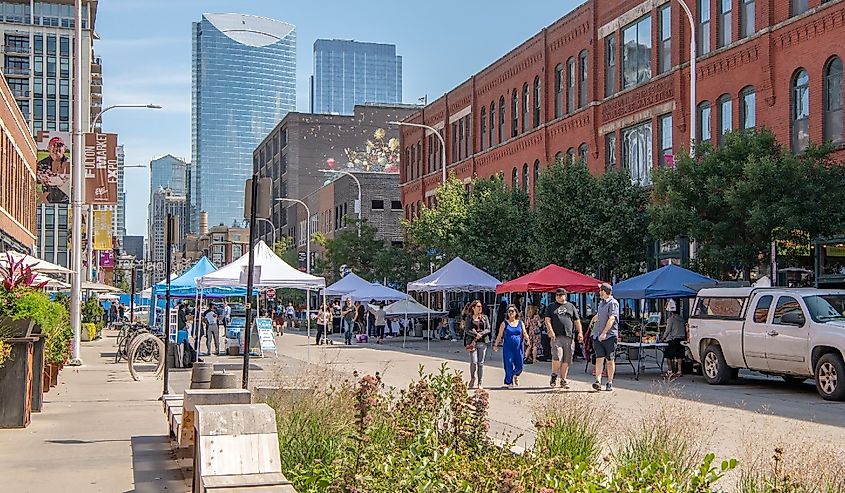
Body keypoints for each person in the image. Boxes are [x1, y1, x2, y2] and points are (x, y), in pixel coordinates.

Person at [545, 288, 584, 389]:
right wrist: (551, 331)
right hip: (556, 336)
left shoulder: (571, 306)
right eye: (557, 295)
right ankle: (554, 375)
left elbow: (577, 320)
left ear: (565, 296)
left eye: (561, 295)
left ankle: (563, 379)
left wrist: (580, 332)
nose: (558, 297)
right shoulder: (551, 307)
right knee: (557, 356)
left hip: (569, 336)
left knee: (567, 358)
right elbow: (547, 320)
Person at [591, 283, 620, 392]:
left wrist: (604, 333)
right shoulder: (601, 303)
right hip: (598, 335)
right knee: (599, 358)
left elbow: (612, 319)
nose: (599, 293)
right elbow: (600, 314)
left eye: (600, 291)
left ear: (604, 291)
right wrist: (594, 319)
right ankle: (598, 381)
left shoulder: (613, 303)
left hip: (609, 336)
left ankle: (609, 382)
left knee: (609, 359)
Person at [494, 305, 530, 388]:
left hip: (518, 348)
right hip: (508, 348)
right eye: (509, 311)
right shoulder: (504, 324)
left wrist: (527, 339)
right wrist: (496, 345)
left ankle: (515, 374)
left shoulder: (520, 323)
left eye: (512, 311)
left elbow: (524, 333)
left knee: (520, 365)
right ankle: (509, 381)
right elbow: (499, 335)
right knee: (508, 364)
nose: (510, 313)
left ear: (516, 313)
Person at [463, 300, 492, 389]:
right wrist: (475, 334)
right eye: (478, 307)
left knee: (481, 363)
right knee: (474, 362)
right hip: (473, 342)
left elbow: (488, 328)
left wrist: (481, 334)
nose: (480, 308)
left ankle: (480, 382)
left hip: (482, 342)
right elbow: (467, 329)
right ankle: (472, 377)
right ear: (473, 308)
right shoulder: (469, 318)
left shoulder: (484, 317)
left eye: (480, 307)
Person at [36, 136, 71, 203]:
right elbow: (38, 180)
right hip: (48, 201)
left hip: (66, 201)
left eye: (59, 145)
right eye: (53, 145)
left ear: (64, 148)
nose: (56, 148)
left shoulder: (71, 163)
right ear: (48, 148)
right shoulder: (42, 163)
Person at [661, 299, 689, 378]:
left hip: (673, 339)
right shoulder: (681, 319)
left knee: (668, 355)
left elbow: (668, 330)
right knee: (679, 356)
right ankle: (679, 371)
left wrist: (663, 338)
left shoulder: (670, 319)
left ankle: (670, 371)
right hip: (682, 339)